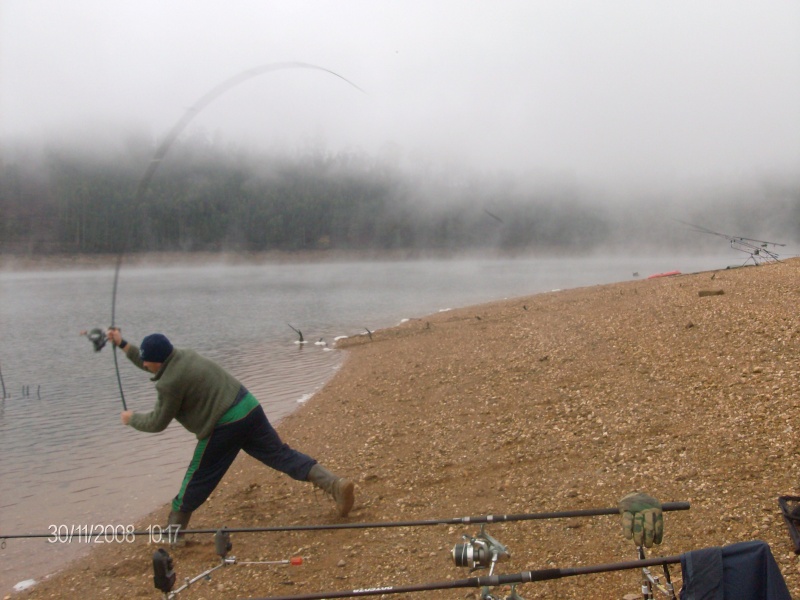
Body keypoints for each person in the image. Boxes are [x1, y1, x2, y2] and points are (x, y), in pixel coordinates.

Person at [106, 329, 355, 535]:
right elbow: (148, 360)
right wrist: (122, 344)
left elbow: (157, 422)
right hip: (248, 406)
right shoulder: (182, 355)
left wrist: (132, 419)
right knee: (281, 455)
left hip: (223, 425)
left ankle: (174, 533)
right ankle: (334, 484)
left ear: (158, 360)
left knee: (198, 476)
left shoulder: (169, 383)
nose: (145, 364)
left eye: (147, 362)